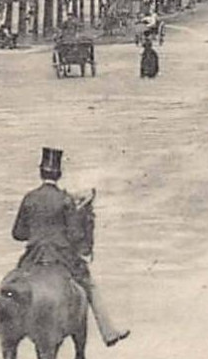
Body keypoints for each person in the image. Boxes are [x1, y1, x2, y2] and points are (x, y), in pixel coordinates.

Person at [11, 147, 128, 346]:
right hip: (61, 256)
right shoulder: (65, 199)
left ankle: (12, 332)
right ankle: (108, 332)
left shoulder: (29, 198)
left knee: (14, 286)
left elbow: (17, 234)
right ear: (59, 174)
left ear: (41, 172)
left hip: (34, 256)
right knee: (90, 285)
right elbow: (75, 235)